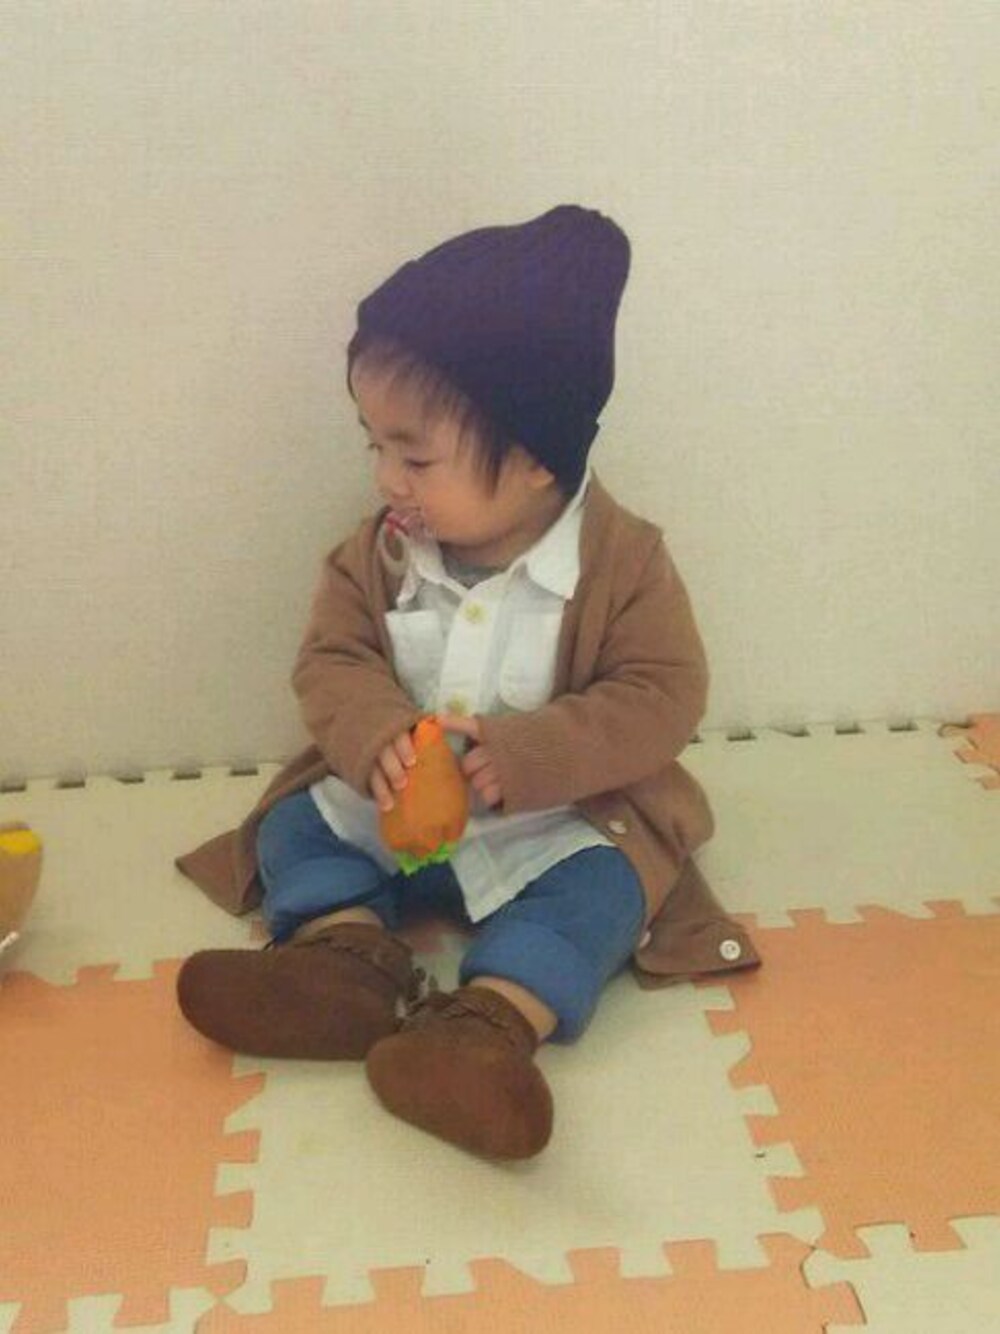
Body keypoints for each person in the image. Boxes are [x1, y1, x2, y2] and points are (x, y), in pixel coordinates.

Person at [174, 205, 758, 1161]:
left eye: (414, 456)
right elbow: (332, 658)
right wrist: (374, 736)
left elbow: (664, 692)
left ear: (533, 459)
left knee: (610, 888)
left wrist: (535, 753)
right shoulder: (380, 554)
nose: (385, 478)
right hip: (391, 805)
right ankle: (346, 960)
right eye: (373, 444)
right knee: (293, 823)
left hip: (554, 823)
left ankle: (489, 1027)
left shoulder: (624, 564)